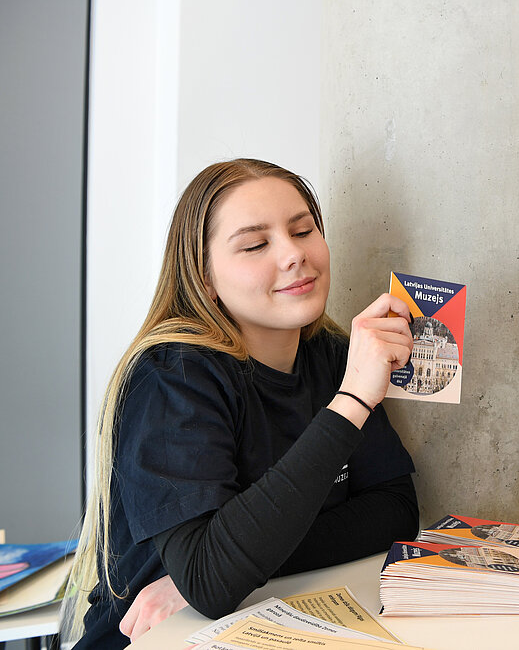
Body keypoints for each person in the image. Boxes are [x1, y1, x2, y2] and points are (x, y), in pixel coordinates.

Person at [62, 159, 419, 649]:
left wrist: (235, 568)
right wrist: (353, 399)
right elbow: (209, 578)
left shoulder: (334, 354)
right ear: (204, 278)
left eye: (303, 231)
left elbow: (394, 511)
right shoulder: (172, 376)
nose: (294, 254)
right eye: (255, 245)